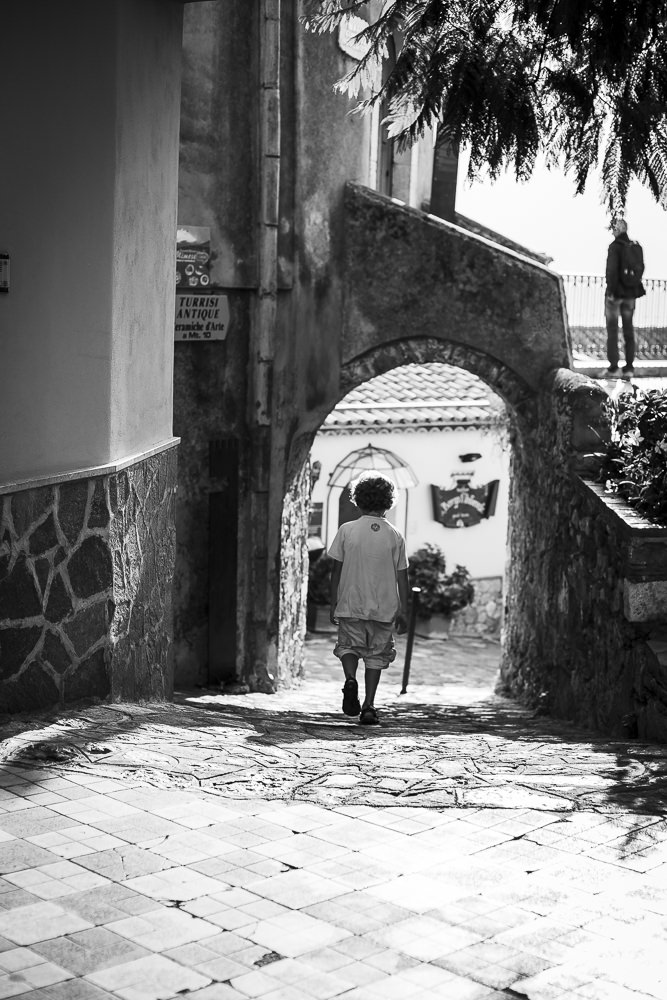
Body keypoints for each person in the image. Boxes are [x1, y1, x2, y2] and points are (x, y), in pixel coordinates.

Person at [328, 473, 409, 725]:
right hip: (384, 608)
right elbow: (402, 578)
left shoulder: (346, 530)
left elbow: (336, 572)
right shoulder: (395, 535)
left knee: (349, 646)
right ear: (389, 502)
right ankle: (369, 706)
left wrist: (334, 601)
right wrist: (404, 609)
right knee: (376, 656)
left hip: (351, 603)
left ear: (357, 500)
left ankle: (350, 678)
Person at [604, 218, 645, 378]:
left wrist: (611, 291)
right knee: (629, 330)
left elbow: (612, 271)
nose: (612, 231)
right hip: (630, 295)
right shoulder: (635, 246)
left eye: (613, 228)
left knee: (612, 330)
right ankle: (629, 369)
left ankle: (613, 368)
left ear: (618, 229)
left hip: (616, 295)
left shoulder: (614, 247)